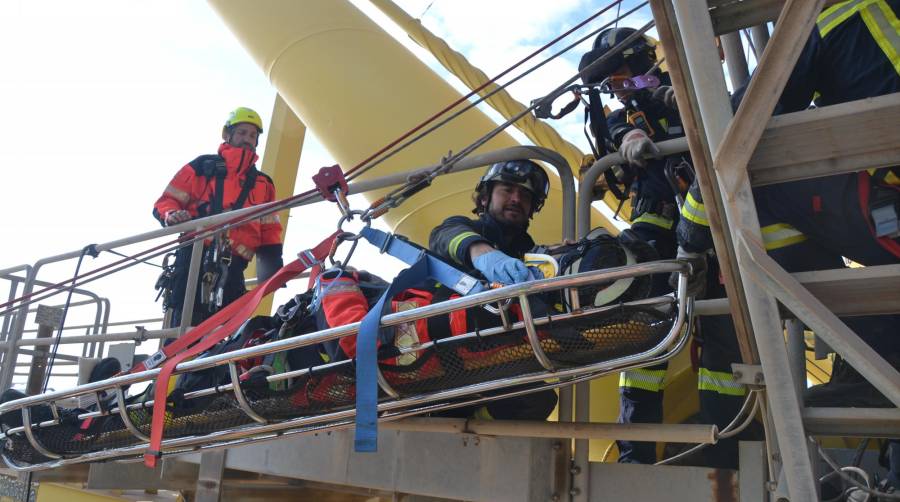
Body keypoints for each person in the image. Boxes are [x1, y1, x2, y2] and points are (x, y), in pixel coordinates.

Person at [676, 0, 900, 487]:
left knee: (751, 178)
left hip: (892, 217)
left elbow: (744, 120)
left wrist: (691, 233)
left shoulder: (833, 14)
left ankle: (867, 345)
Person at [579, 27, 754, 468]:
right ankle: (636, 454)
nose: (616, 89)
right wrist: (628, 140)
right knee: (645, 341)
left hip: (714, 233)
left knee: (723, 344)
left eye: (619, 76)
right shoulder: (628, 114)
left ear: (638, 64)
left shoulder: (687, 89)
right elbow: (617, 132)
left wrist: (680, 98)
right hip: (656, 235)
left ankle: (726, 453)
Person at [428, 159, 559, 420]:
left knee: (538, 400)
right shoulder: (462, 228)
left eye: (525, 195)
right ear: (485, 197)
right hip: (439, 352)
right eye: (507, 189)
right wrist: (481, 253)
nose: (515, 198)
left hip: (493, 361)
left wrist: (558, 261)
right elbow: (443, 236)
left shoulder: (533, 258)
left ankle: (473, 428)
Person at [153, 107, 284, 328]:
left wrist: (272, 269)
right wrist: (172, 215)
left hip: (234, 267)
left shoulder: (264, 184)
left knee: (228, 330)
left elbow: (269, 229)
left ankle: (218, 363)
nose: (247, 139)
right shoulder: (202, 167)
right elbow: (166, 202)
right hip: (194, 257)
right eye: (242, 132)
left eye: (253, 135)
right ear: (227, 134)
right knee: (184, 325)